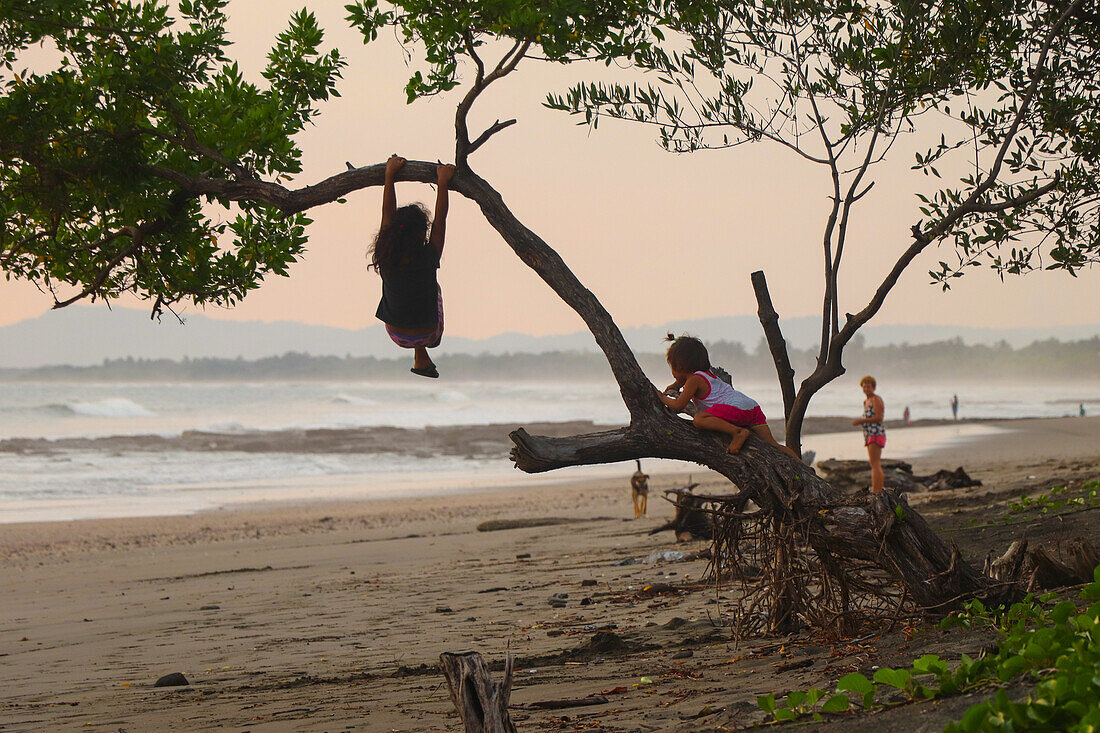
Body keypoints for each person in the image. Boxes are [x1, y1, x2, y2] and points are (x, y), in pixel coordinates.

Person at [370, 155, 455, 378]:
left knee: (403, 292)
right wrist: (443, 182)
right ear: (421, 233)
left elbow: (387, 213)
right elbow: (441, 220)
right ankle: (420, 354)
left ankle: (421, 357)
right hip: (429, 334)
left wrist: (389, 175)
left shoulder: (385, 255)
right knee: (434, 289)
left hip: (396, 334)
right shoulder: (428, 255)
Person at [658, 335, 799, 459]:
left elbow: (679, 404)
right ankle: (803, 467)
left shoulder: (694, 380)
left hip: (735, 408)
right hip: (751, 406)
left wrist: (659, 396)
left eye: (672, 367)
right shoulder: (705, 374)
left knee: (699, 419)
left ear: (680, 366)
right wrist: (676, 384)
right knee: (773, 445)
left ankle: (738, 432)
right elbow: (676, 386)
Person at [853, 375, 886, 494]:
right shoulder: (866, 401)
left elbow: (879, 417)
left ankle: (877, 490)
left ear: (874, 387)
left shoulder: (876, 399)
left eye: (869, 387)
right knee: (873, 463)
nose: (866, 389)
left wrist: (860, 421)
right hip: (868, 434)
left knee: (875, 463)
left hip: (876, 433)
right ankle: (876, 489)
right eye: (864, 387)